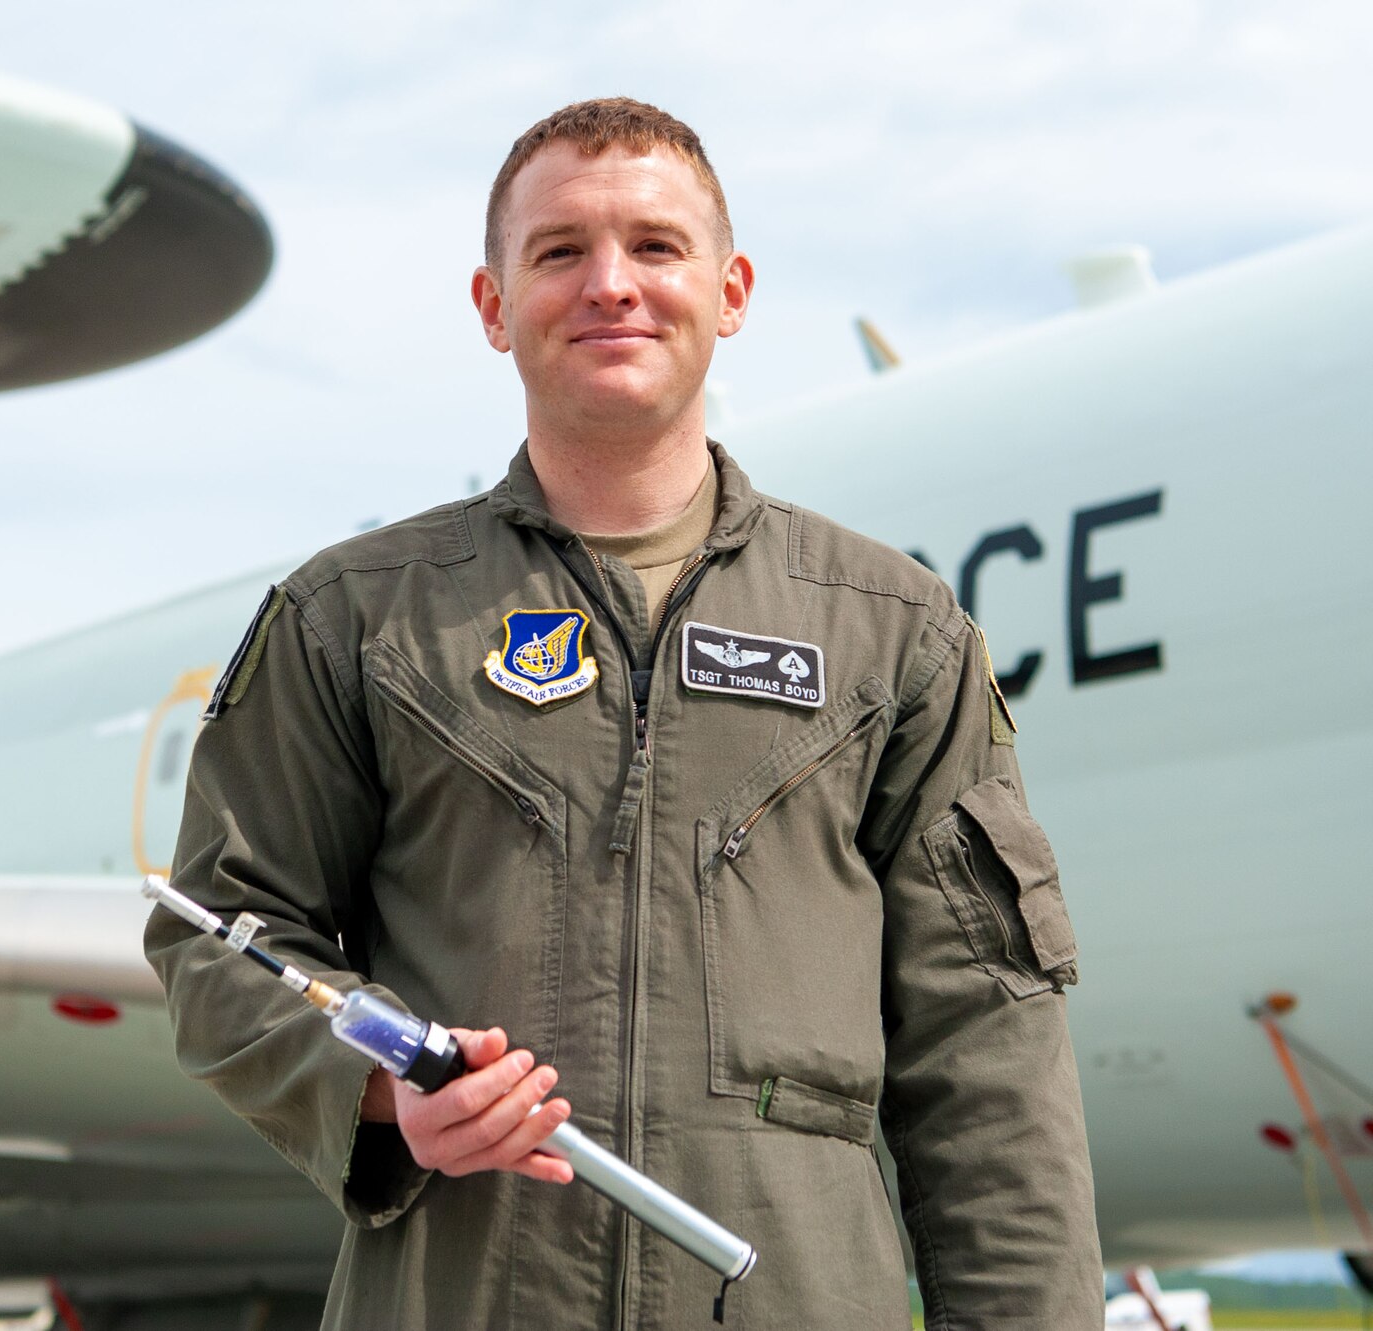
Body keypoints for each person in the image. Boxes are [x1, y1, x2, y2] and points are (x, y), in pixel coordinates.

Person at [145, 97, 1101, 1329]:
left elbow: (984, 1048)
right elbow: (224, 939)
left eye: (655, 246)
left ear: (730, 288)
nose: (611, 284)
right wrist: (384, 1090)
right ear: (492, 306)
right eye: (557, 252)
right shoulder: (355, 618)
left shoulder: (893, 630)